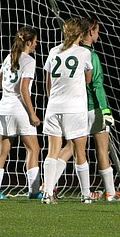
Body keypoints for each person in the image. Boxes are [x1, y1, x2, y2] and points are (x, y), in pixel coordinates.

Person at [53, 16, 119, 201]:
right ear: (90, 32)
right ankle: (111, 194)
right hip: (94, 108)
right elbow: (97, 85)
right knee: (102, 150)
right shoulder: (91, 56)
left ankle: (48, 184)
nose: (98, 34)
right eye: (97, 31)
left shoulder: (68, 53)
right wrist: (105, 110)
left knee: (70, 148)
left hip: (76, 108)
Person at [40, 18, 93, 204]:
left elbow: (47, 82)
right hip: (75, 109)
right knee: (80, 151)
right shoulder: (84, 53)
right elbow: (88, 79)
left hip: (53, 107)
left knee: (52, 150)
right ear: (81, 34)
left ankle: (47, 194)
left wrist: (52, 100)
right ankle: (86, 195)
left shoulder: (53, 51)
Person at [0, 26, 42, 200]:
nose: (36, 44)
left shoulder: (9, 57)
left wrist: (10, 90)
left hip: (4, 108)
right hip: (20, 109)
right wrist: (32, 114)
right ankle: (33, 191)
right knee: (33, 149)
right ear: (28, 42)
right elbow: (24, 89)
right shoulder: (29, 61)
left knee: (2, 150)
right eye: (35, 41)